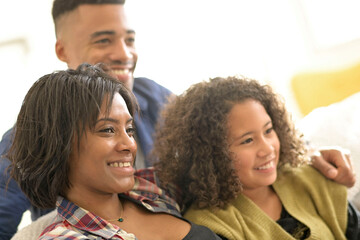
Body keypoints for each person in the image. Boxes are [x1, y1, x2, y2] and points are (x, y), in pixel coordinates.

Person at [0, 0, 355, 238]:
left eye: (129, 39)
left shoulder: (155, 120)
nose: (124, 54)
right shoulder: (27, 138)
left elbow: (225, 144)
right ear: (62, 49)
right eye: (104, 40)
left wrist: (294, 156)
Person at [7, 63, 221, 240]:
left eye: (129, 129)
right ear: (58, 144)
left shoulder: (152, 188)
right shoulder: (64, 237)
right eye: (108, 130)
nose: (129, 144)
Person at [152, 76, 360, 240]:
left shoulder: (312, 179)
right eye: (248, 141)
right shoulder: (211, 227)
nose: (267, 149)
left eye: (268, 130)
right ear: (211, 155)